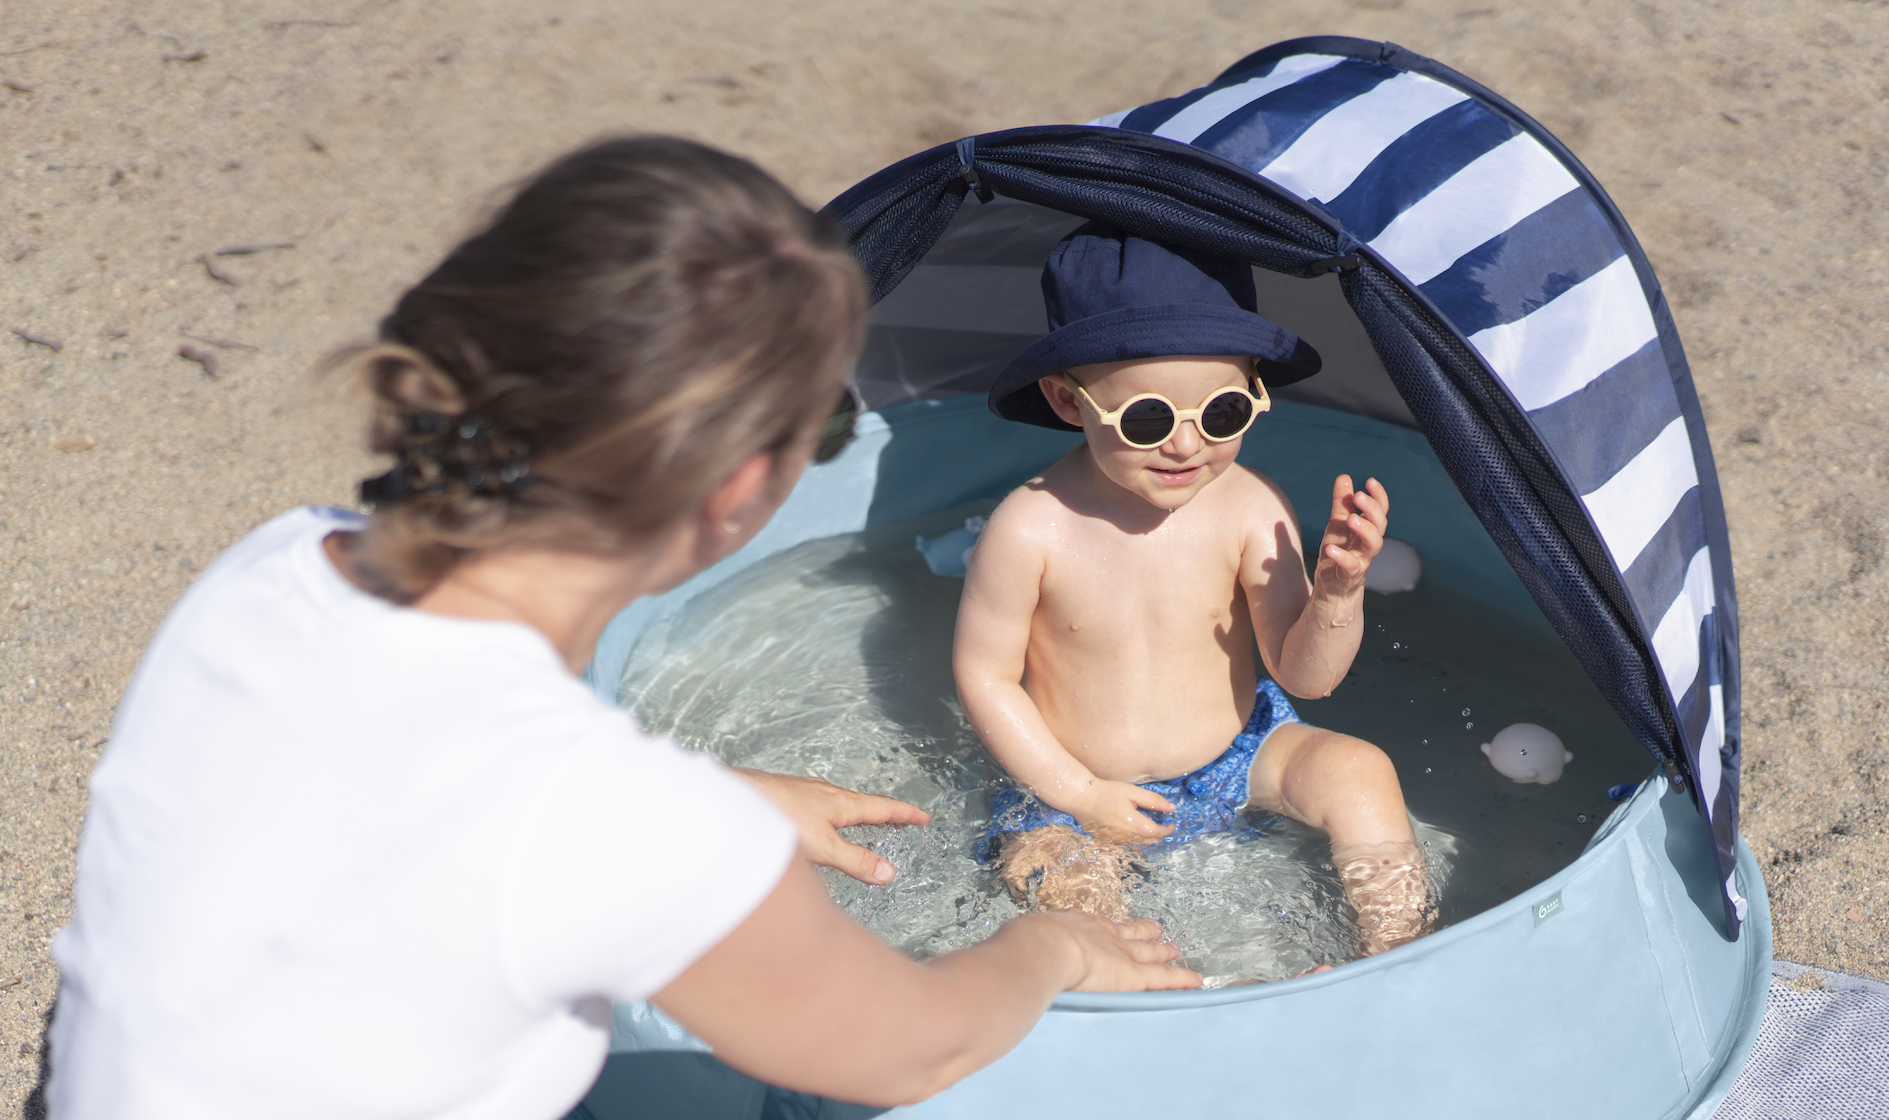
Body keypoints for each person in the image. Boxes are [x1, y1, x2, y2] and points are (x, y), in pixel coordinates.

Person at [47, 137, 1197, 1120]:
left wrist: (722, 796)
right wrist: (1059, 949)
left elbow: (402, 800)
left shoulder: (277, 563)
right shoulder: (620, 826)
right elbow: (914, 1043)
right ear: (741, 494)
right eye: (825, 443)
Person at [954, 223, 1436, 959]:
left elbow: (1306, 676)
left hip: (1241, 757)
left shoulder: (1249, 507)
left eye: (1223, 414)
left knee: (1360, 771)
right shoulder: (1031, 529)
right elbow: (984, 676)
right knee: (1063, 884)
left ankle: (1396, 950)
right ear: (1065, 400)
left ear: (1253, 391)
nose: (1186, 445)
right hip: (1077, 792)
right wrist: (1079, 793)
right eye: (1147, 419)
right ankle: (1149, 999)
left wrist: (1336, 597)